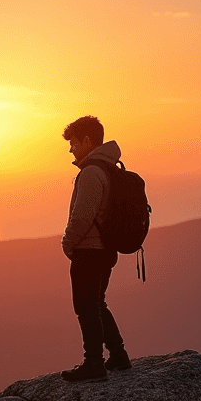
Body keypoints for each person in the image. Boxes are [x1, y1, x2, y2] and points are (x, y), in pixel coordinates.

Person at [60, 115, 132, 382]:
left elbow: (82, 217)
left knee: (86, 308)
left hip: (89, 250)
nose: (71, 149)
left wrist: (67, 244)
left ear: (88, 141)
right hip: (106, 249)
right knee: (98, 304)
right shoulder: (109, 167)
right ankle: (119, 356)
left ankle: (94, 364)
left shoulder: (91, 172)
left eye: (74, 143)